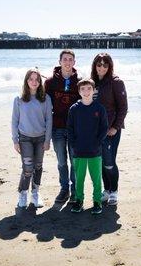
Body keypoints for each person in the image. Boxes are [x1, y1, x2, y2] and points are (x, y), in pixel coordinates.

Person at [90, 52, 128, 206]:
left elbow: (123, 108)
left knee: (109, 162)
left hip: (111, 130)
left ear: (110, 66)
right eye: (99, 64)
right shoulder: (91, 82)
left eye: (105, 65)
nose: (102, 67)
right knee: (100, 162)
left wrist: (115, 127)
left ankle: (114, 191)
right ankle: (106, 190)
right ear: (95, 65)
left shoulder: (116, 82)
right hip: (95, 131)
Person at [11, 68, 53, 208]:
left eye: (37, 79)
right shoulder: (19, 99)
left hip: (40, 139)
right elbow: (14, 121)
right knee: (28, 168)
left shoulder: (46, 98)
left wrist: (47, 140)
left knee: (38, 166)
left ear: (40, 82)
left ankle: (35, 193)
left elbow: (49, 121)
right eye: (31, 79)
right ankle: (23, 193)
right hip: (25, 139)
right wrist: (15, 140)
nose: (34, 82)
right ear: (26, 81)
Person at [44, 49, 81, 204]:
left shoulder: (80, 81)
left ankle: (75, 190)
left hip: (74, 129)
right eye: (64, 59)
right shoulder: (50, 82)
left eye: (70, 59)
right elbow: (44, 105)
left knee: (74, 161)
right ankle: (64, 189)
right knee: (61, 161)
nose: (67, 62)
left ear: (74, 62)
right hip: (57, 127)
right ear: (60, 62)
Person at [66, 78, 108, 214]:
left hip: (95, 151)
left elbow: (104, 128)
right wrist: (73, 145)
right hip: (79, 151)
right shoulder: (74, 109)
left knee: (96, 178)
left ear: (94, 90)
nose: (86, 91)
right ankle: (79, 201)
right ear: (79, 91)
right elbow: (70, 129)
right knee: (79, 179)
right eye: (83, 89)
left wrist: (97, 143)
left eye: (89, 88)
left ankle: (97, 201)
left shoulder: (99, 108)